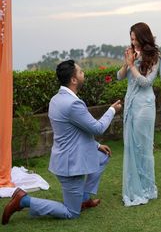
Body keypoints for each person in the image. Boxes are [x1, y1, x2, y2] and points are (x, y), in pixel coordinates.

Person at [2, 59, 122, 225]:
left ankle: (83, 198)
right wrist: (112, 110)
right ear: (73, 80)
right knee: (71, 213)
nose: (83, 74)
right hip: (70, 165)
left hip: (67, 155)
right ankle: (24, 201)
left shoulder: (56, 99)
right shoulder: (73, 104)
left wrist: (96, 145)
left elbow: (72, 132)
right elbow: (97, 128)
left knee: (102, 156)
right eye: (80, 72)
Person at [117, 22, 161, 206]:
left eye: (135, 38)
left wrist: (132, 65)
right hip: (131, 106)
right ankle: (135, 185)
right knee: (131, 147)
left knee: (143, 147)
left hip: (145, 107)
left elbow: (145, 82)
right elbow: (120, 76)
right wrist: (127, 64)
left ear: (143, 37)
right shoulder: (133, 55)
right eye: (131, 38)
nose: (132, 42)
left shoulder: (154, 57)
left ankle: (147, 187)